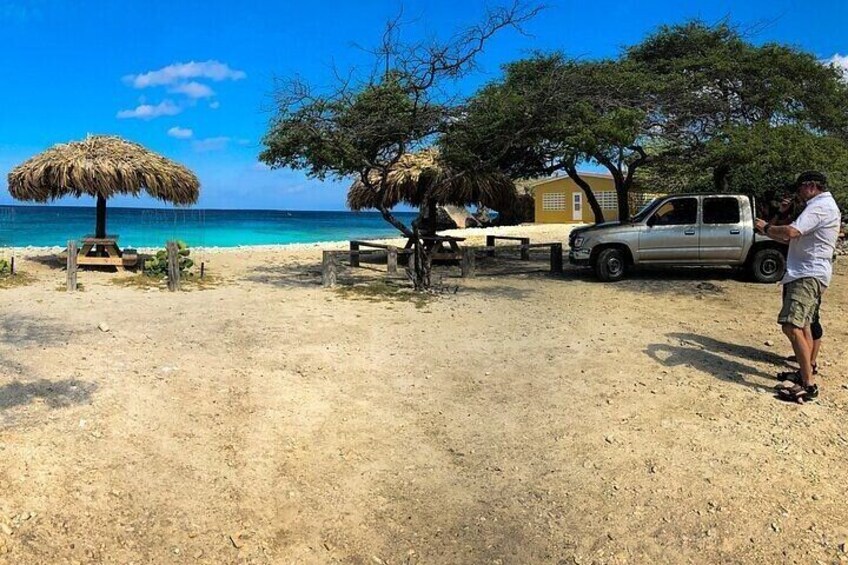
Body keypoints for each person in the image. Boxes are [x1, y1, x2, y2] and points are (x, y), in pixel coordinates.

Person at [754, 171, 842, 402]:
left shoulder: (820, 206)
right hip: (806, 272)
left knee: (791, 326)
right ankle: (805, 373)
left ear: (812, 186)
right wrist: (772, 227)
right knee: (804, 326)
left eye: (800, 187)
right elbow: (790, 236)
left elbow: (792, 231)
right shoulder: (819, 206)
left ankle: (808, 384)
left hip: (807, 274)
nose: (798, 193)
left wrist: (766, 229)